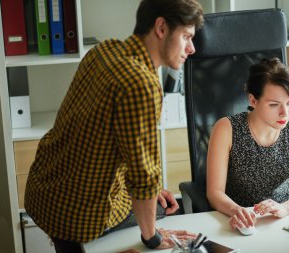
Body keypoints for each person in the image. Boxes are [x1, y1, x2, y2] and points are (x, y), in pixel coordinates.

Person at [24, 0, 203, 252]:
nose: (191, 48)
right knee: (168, 209)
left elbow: (102, 143)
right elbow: (144, 176)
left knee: (156, 198)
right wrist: (152, 237)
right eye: (186, 36)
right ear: (161, 27)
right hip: (79, 215)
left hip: (44, 191)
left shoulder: (105, 49)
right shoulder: (141, 83)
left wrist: (146, 194)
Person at [206, 58, 289, 231]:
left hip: (288, 212)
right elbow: (214, 192)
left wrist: (285, 208)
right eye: (274, 105)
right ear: (253, 100)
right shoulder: (226, 129)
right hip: (244, 217)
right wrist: (236, 210)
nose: (285, 113)